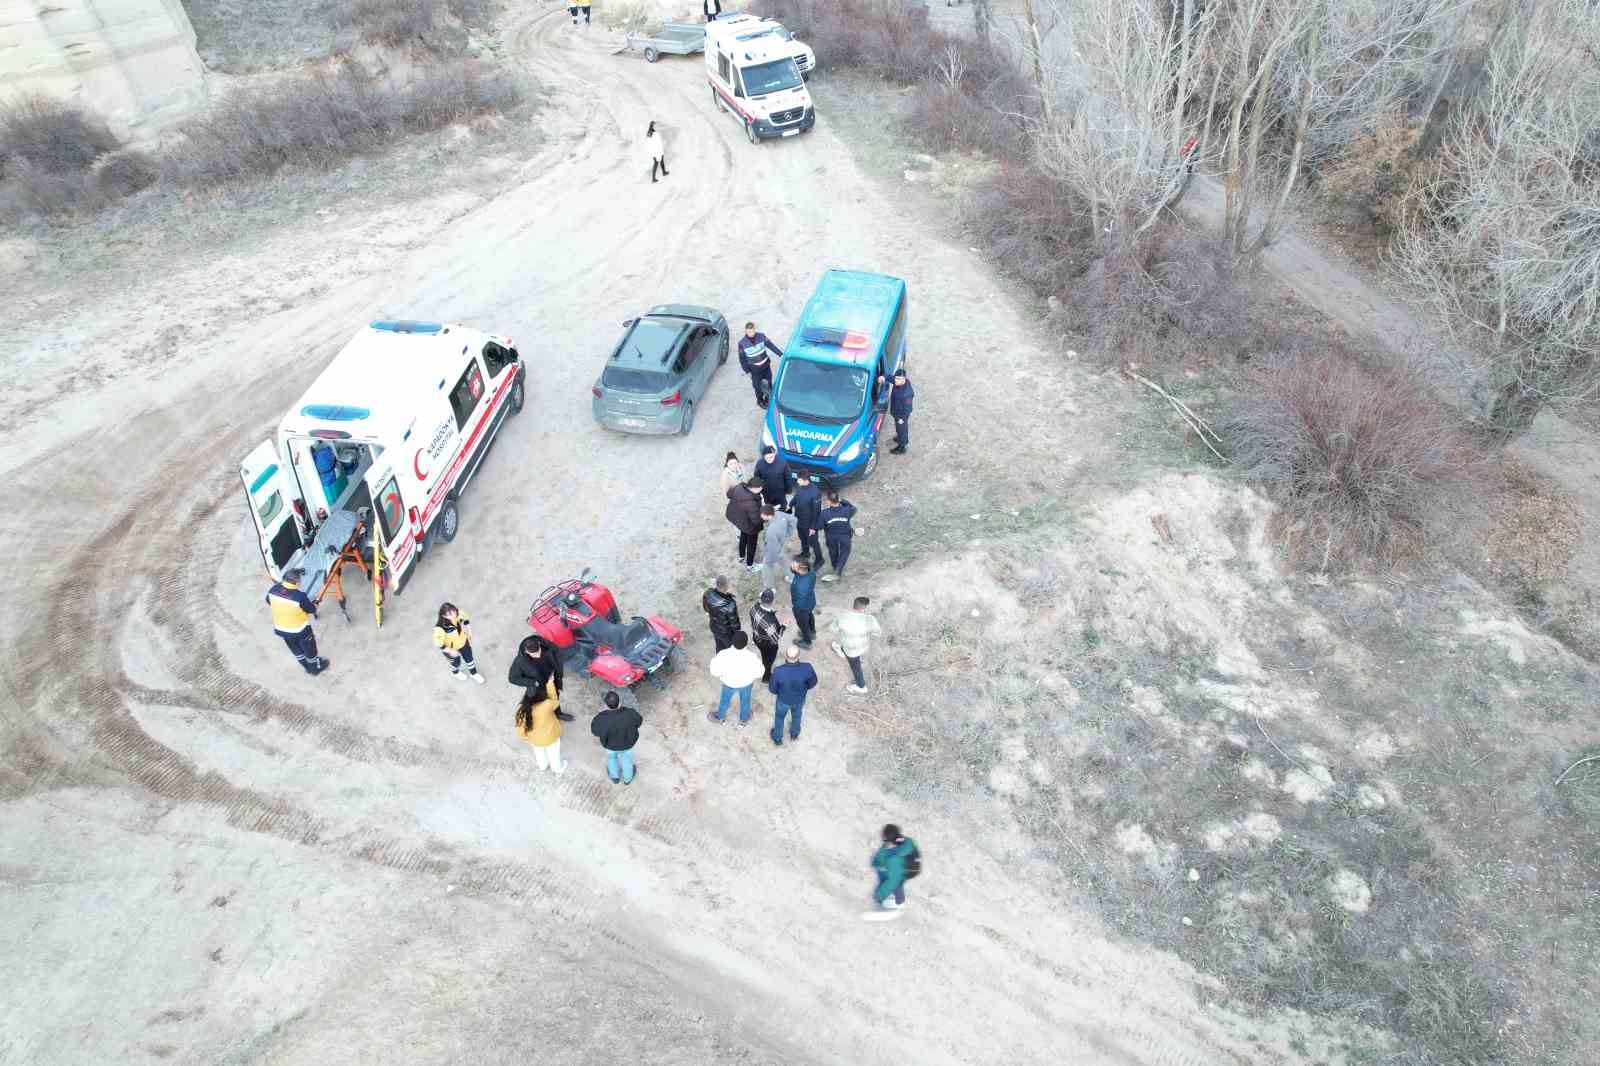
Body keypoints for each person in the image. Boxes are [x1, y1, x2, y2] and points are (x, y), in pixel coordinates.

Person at [266, 568, 328, 675]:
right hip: (301, 630)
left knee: (296, 650)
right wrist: (315, 603)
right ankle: (315, 668)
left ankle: (307, 668)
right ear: (296, 582)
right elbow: (312, 609)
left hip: (283, 630)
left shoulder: (273, 590)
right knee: (310, 650)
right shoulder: (299, 596)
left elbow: (269, 600)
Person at [509, 635, 573, 721]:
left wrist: (558, 674)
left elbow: (558, 658)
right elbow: (513, 678)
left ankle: (558, 714)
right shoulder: (520, 662)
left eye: (538, 651)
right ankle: (539, 720)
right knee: (537, 704)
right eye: (534, 654)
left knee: (555, 697)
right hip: (537, 687)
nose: (538, 655)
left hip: (553, 681)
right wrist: (532, 683)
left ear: (539, 644)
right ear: (526, 651)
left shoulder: (549, 647)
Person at [707, 631, 763, 725]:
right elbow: (760, 672)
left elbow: (714, 671)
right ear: (746, 643)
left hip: (728, 684)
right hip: (746, 684)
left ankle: (720, 717)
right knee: (745, 701)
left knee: (724, 700)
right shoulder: (752, 656)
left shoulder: (723, 654)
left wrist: (722, 675)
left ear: (732, 641)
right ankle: (744, 719)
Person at [767, 645, 817, 746]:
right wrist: (803, 689)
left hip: (783, 700)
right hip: (799, 700)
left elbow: (772, 689)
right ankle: (794, 734)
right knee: (797, 716)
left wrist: (779, 692)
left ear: (786, 656)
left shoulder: (778, 671)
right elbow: (813, 682)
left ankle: (777, 738)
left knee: (779, 717)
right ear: (799, 656)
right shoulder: (807, 667)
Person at [830, 595, 881, 695]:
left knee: (856, 667)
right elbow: (877, 633)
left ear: (853, 605)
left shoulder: (842, 617)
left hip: (851, 650)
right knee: (848, 647)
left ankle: (861, 686)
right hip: (863, 646)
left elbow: (833, 629)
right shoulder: (870, 619)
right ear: (864, 608)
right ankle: (841, 650)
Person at [515, 676, 565, 776]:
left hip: (534, 740)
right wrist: (550, 683)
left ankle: (543, 766)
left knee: (539, 754)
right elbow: (555, 700)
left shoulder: (522, 711)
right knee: (554, 755)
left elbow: (520, 730)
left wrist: (526, 737)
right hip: (551, 738)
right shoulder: (547, 705)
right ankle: (558, 770)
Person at [591, 691, 643, 785]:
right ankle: (627, 779)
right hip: (627, 744)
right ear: (619, 703)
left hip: (610, 745)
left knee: (611, 758)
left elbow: (595, 731)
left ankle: (614, 777)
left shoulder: (601, 718)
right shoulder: (630, 713)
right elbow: (639, 721)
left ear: (606, 705)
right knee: (626, 760)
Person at [433, 602, 484, 685]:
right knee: (456, 663)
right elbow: (439, 644)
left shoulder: (459, 613)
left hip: (464, 642)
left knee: (469, 658)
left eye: (453, 610)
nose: (453, 614)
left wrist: (469, 632)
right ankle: (455, 673)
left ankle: (474, 673)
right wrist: (451, 651)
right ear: (444, 616)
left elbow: (466, 619)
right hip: (452, 649)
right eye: (449, 614)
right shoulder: (440, 628)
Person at [871, 824, 918, 911]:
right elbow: (884, 850)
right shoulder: (895, 841)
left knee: (894, 881)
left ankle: (899, 903)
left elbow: (893, 880)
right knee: (882, 871)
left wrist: (879, 896)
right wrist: (877, 861)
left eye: (886, 841)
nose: (884, 842)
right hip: (899, 864)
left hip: (908, 870)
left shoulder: (895, 860)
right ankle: (886, 895)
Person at [737, 322, 781, 408]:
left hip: (766, 366)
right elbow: (742, 359)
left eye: (753, 331)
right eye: (749, 331)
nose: (751, 333)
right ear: (746, 331)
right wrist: (747, 371)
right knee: (757, 386)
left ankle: (769, 398)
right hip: (754, 370)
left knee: (768, 383)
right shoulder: (742, 343)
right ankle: (760, 401)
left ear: (755, 329)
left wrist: (780, 354)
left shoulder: (761, 336)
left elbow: (770, 345)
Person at [725, 476, 765, 571]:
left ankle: (741, 556)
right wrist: (765, 517)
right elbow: (756, 521)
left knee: (743, 537)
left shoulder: (739, 487)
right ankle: (750, 565)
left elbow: (728, 494)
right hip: (749, 525)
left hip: (740, 520)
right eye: (760, 489)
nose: (761, 490)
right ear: (753, 488)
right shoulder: (751, 503)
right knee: (752, 544)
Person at [819, 490, 857, 582]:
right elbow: (854, 508)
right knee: (845, 552)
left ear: (828, 501)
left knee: (833, 552)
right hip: (845, 536)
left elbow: (820, 526)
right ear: (838, 500)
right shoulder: (847, 510)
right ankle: (838, 570)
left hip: (831, 537)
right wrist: (842, 500)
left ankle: (836, 568)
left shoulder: (824, 513)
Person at [749, 588, 786, 683]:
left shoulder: (753, 608)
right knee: (768, 660)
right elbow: (776, 638)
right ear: (772, 601)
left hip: (756, 637)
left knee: (763, 654)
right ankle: (766, 677)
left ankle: (765, 667)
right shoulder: (770, 623)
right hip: (767, 645)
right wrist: (784, 626)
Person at [790, 470, 824, 569]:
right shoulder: (800, 487)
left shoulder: (815, 492)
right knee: (803, 539)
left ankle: (819, 559)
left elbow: (816, 512)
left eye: (799, 480)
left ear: (805, 480)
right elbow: (796, 497)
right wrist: (790, 504)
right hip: (800, 520)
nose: (797, 481)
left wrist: (813, 527)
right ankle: (805, 553)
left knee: (813, 542)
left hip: (810, 524)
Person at [758, 504, 796, 593]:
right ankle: (791, 577)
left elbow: (772, 548)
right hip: (780, 543)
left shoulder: (771, 531)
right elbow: (793, 520)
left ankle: (770, 588)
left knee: (766, 567)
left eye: (762, 514)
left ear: (768, 515)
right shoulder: (779, 514)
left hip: (773, 548)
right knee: (782, 558)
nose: (760, 516)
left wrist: (769, 559)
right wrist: (788, 533)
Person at [702, 576, 742, 652]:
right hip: (727, 634)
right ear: (725, 586)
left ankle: (719, 661)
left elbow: (706, 608)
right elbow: (735, 625)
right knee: (732, 651)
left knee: (719, 647)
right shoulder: (730, 604)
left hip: (714, 627)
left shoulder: (708, 593)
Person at [788, 558, 817, 648]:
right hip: (810, 601)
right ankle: (812, 632)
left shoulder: (800, 586)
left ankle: (807, 641)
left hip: (801, 607)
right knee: (810, 615)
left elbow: (799, 603)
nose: (791, 566)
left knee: (802, 624)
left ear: (801, 570)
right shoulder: (811, 572)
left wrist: (795, 609)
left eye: (794, 566)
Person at [753, 445, 790, 509]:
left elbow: (788, 477)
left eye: (771, 457)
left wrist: (789, 490)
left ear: (775, 454)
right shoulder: (759, 464)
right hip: (767, 493)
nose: (770, 459)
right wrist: (758, 492)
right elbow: (757, 478)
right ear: (763, 457)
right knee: (768, 509)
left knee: (782, 508)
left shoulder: (783, 463)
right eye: (767, 457)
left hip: (780, 493)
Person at [888, 369, 914, 453]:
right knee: (899, 429)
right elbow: (892, 379)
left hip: (901, 415)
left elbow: (908, 409)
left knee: (902, 429)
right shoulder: (898, 382)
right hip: (896, 412)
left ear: (904, 379)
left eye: (899, 379)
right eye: (896, 378)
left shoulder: (907, 393)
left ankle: (902, 447)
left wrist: (902, 419)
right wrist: (884, 377)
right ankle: (899, 437)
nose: (896, 381)